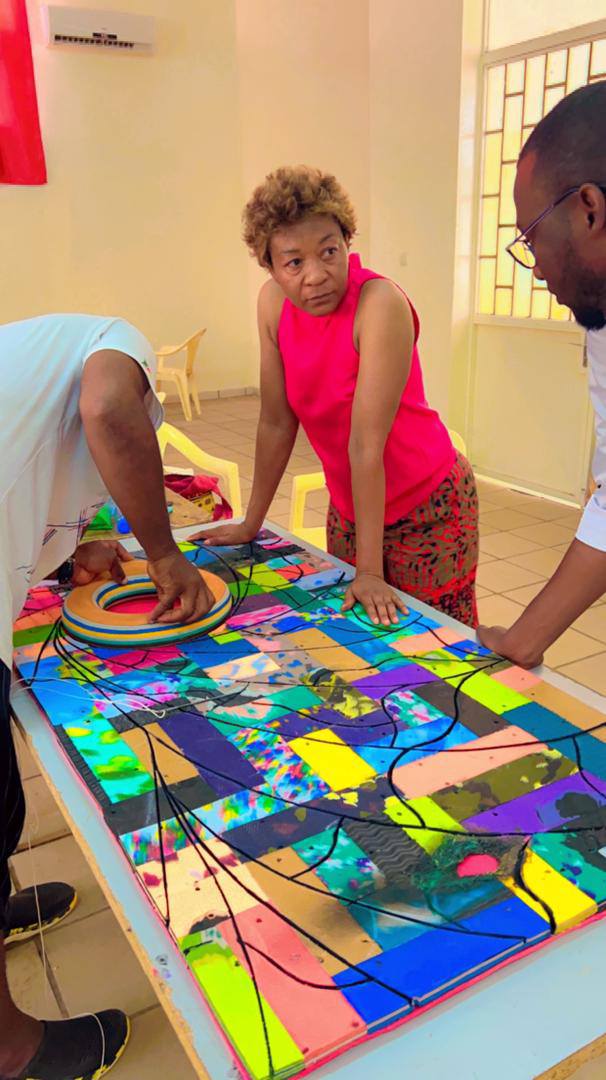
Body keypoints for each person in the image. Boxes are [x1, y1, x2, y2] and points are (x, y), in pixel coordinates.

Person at [0, 314, 213, 1079]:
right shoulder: (118, 342)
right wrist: (164, 552)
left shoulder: (34, 368)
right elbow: (107, 408)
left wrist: (67, 559)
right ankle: (11, 1051)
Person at [202, 166, 479, 628]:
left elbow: (366, 444)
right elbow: (276, 422)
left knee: (434, 641)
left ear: (347, 242)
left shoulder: (379, 304)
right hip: (351, 508)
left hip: (428, 506)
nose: (316, 276)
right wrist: (252, 522)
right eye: (294, 262)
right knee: (356, 634)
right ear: (270, 267)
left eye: (329, 252)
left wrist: (369, 571)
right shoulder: (272, 305)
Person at [478, 82, 606, 668]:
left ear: (589, 210)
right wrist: (523, 641)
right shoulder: (600, 317)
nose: (535, 268)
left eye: (531, 237)